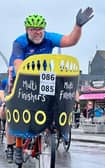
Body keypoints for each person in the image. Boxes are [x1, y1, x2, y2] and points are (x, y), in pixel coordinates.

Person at [6, 7, 94, 163]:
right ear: (27, 30)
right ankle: (14, 146)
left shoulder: (49, 38)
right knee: (12, 110)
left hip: (43, 77)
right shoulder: (19, 42)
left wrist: (78, 26)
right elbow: (19, 65)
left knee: (52, 102)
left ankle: (49, 128)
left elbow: (70, 40)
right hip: (22, 77)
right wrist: (24, 75)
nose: (37, 32)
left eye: (40, 29)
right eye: (33, 29)